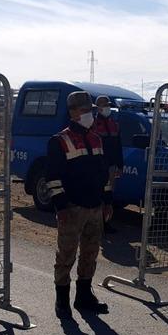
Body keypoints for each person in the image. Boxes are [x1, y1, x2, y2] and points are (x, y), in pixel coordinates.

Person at [46, 91, 113, 319]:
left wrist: (107, 201)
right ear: (73, 112)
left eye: (90, 110)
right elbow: (52, 178)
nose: (89, 114)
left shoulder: (96, 139)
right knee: (66, 255)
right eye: (84, 110)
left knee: (90, 254)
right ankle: (62, 300)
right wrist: (61, 207)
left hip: (95, 207)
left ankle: (84, 297)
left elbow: (102, 175)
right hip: (72, 208)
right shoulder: (59, 141)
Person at [92, 95, 124, 234]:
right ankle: (94, 224)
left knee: (109, 195)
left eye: (108, 105)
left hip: (110, 167)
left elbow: (118, 146)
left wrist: (120, 165)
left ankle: (106, 223)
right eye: (105, 105)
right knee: (97, 195)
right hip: (97, 167)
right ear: (98, 107)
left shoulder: (114, 124)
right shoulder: (92, 124)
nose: (107, 108)